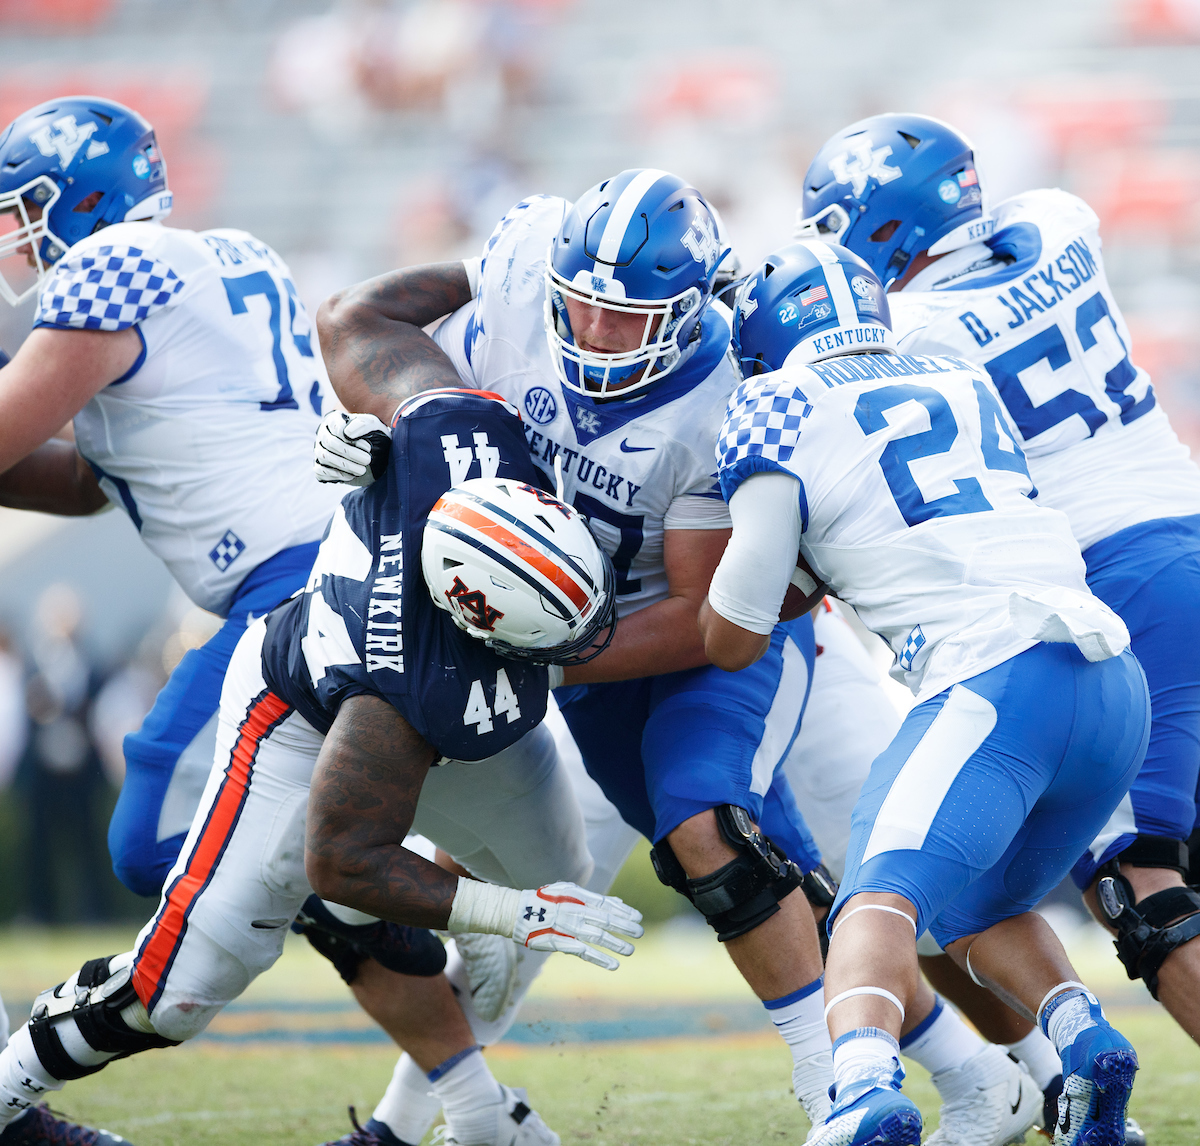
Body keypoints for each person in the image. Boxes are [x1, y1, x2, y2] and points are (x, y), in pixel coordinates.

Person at [0, 96, 565, 1145]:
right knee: (309, 878)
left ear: (78, 202)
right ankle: (485, 1112)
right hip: (340, 561)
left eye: (25, 210)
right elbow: (95, 478)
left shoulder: (110, 264)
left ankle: (388, 880)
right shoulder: (227, 255)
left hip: (290, 587)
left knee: (160, 841)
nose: (18, 238)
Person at [313, 169, 835, 1131]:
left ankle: (850, 1087)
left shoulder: (722, 394)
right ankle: (432, 1117)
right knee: (536, 875)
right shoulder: (517, 271)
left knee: (723, 846)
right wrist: (383, 427)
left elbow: (701, 615)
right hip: (565, 634)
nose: (593, 332)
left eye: (626, 318)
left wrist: (538, 658)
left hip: (689, 635)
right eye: (579, 305)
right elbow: (367, 332)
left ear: (688, 311)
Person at [0, 388, 641, 1146]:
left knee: (558, 868)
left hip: (420, 690)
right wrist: (505, 914)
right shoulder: (405, 690)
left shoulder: (456, 439)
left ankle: (424, 968)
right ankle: (9, 1090)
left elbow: (367, 334)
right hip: (301, 723)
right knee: (177, 993)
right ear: (479, 618)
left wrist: (365, 423)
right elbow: (341, 859)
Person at [699, 239, 1149, 1146]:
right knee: (979, 910)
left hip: (993, 682)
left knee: (875, 904)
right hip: (1110, 683)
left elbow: (733, 637)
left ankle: (862, 1088)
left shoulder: (775, 402)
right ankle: (1085, 1041)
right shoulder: (954, 371)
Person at [801, 107, 1199, 1120]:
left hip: (1112, 582)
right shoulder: (1060, 222)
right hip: (1184, 521)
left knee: (1141, 887)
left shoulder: (915, 334)